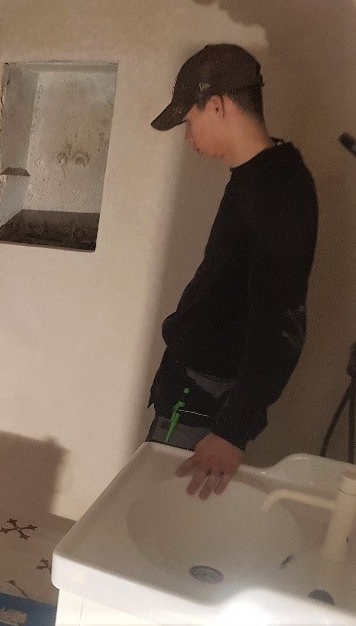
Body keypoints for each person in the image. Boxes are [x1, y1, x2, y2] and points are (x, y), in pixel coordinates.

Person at [146, 44, 318, 499]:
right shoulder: (258, 177)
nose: (189, 137)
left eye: (190, 121)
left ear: (218, 105)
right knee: (159, 514)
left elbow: (282, 319)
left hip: (204, 404)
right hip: (194, 389)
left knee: (163, 515)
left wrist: (232, 430)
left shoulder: (277, 189)